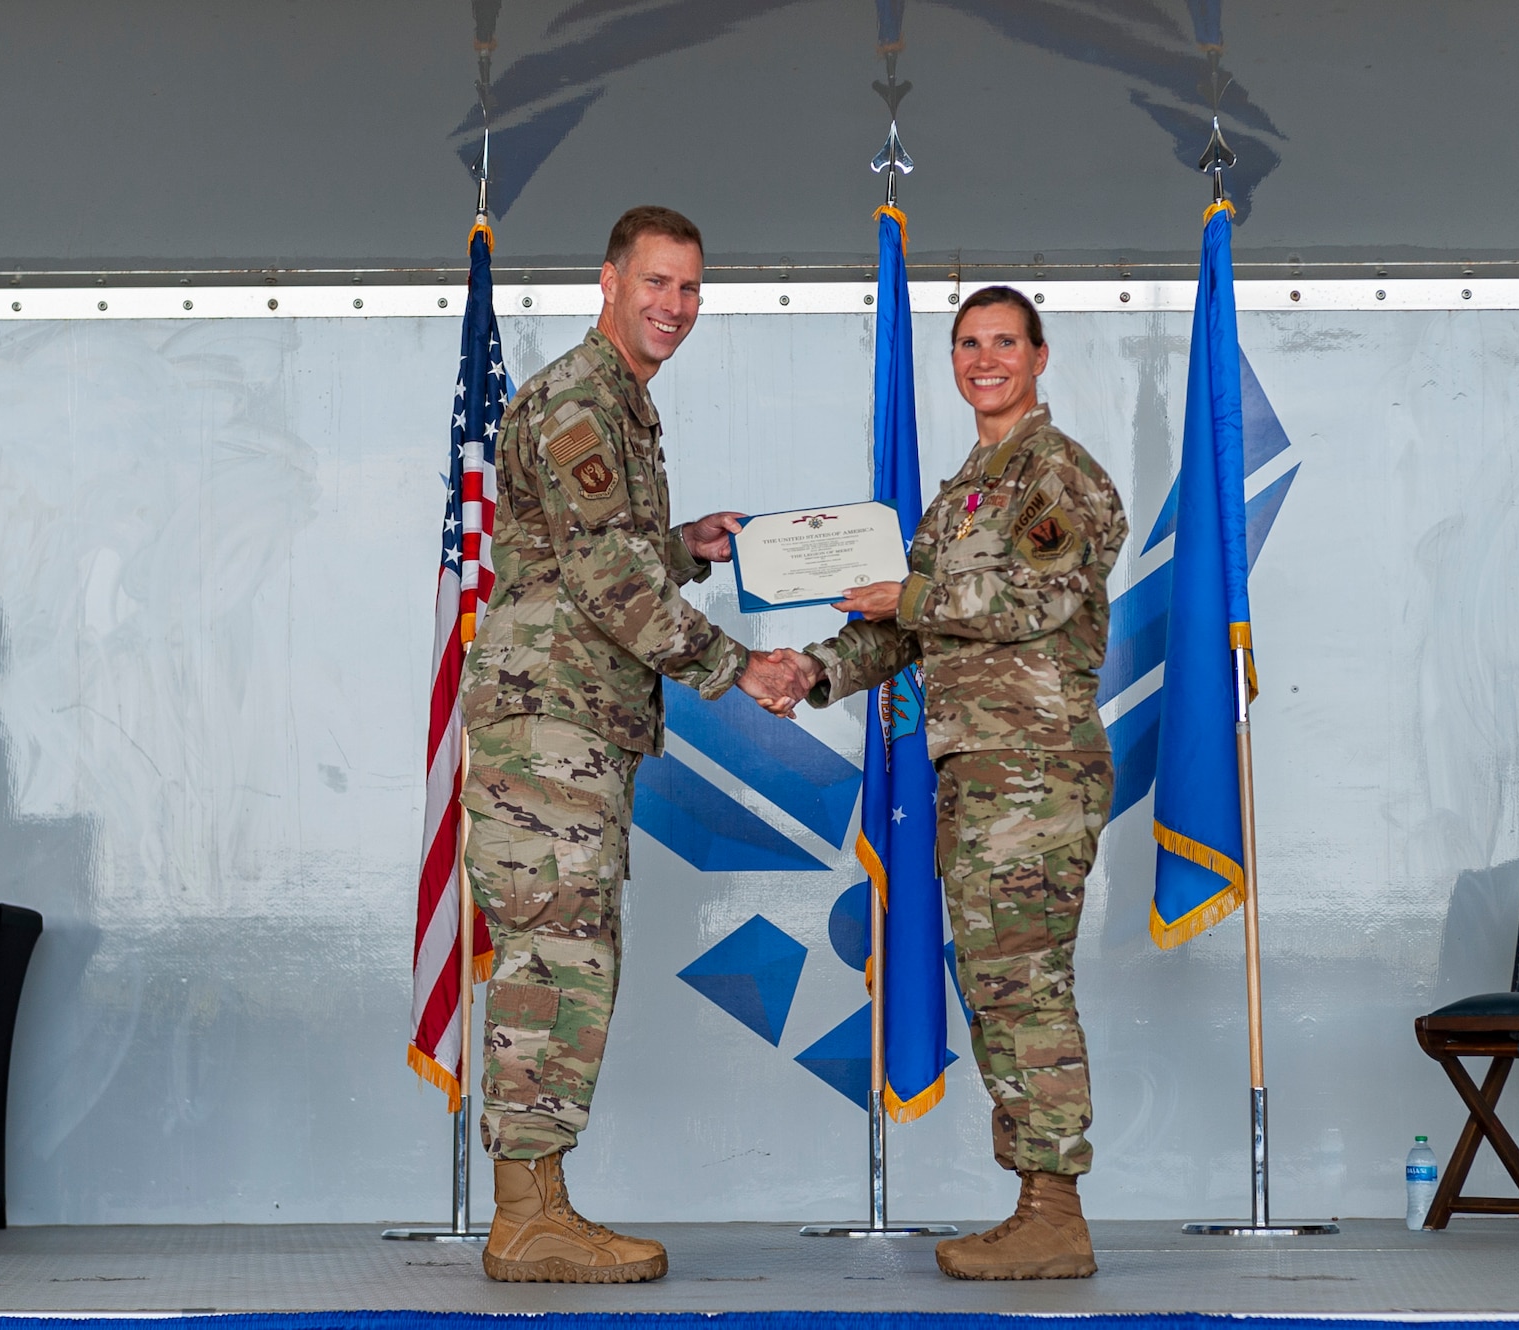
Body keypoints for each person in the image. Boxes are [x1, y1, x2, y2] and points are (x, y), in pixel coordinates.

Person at [457, 205, 800, 1284]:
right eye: (655, 283)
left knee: (566, 956)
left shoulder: (620, 405)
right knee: (552, 958)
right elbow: (604, 585)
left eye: (690, 289)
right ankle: (524, 1218)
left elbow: (589, 553)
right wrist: (736, 665)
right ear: (606, 281)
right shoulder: (578, 400)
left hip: (575, 721)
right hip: (550, 721)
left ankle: (541, 1202)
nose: (673, 307)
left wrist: (680, 548)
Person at [764, 286, 1127, 1280]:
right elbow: (906, 623)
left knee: (1024, 982)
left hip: (1034, 765)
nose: (983, 360)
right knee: (998, 984)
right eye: (967, 344)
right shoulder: (963, 490)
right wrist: (813, 668)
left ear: (1039, 356)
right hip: (976, 768)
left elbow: (1035, 594)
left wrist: (910, 593)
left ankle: (1055, 1206)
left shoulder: (1059, 473)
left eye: (1003, 342)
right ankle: (1035, 1202)